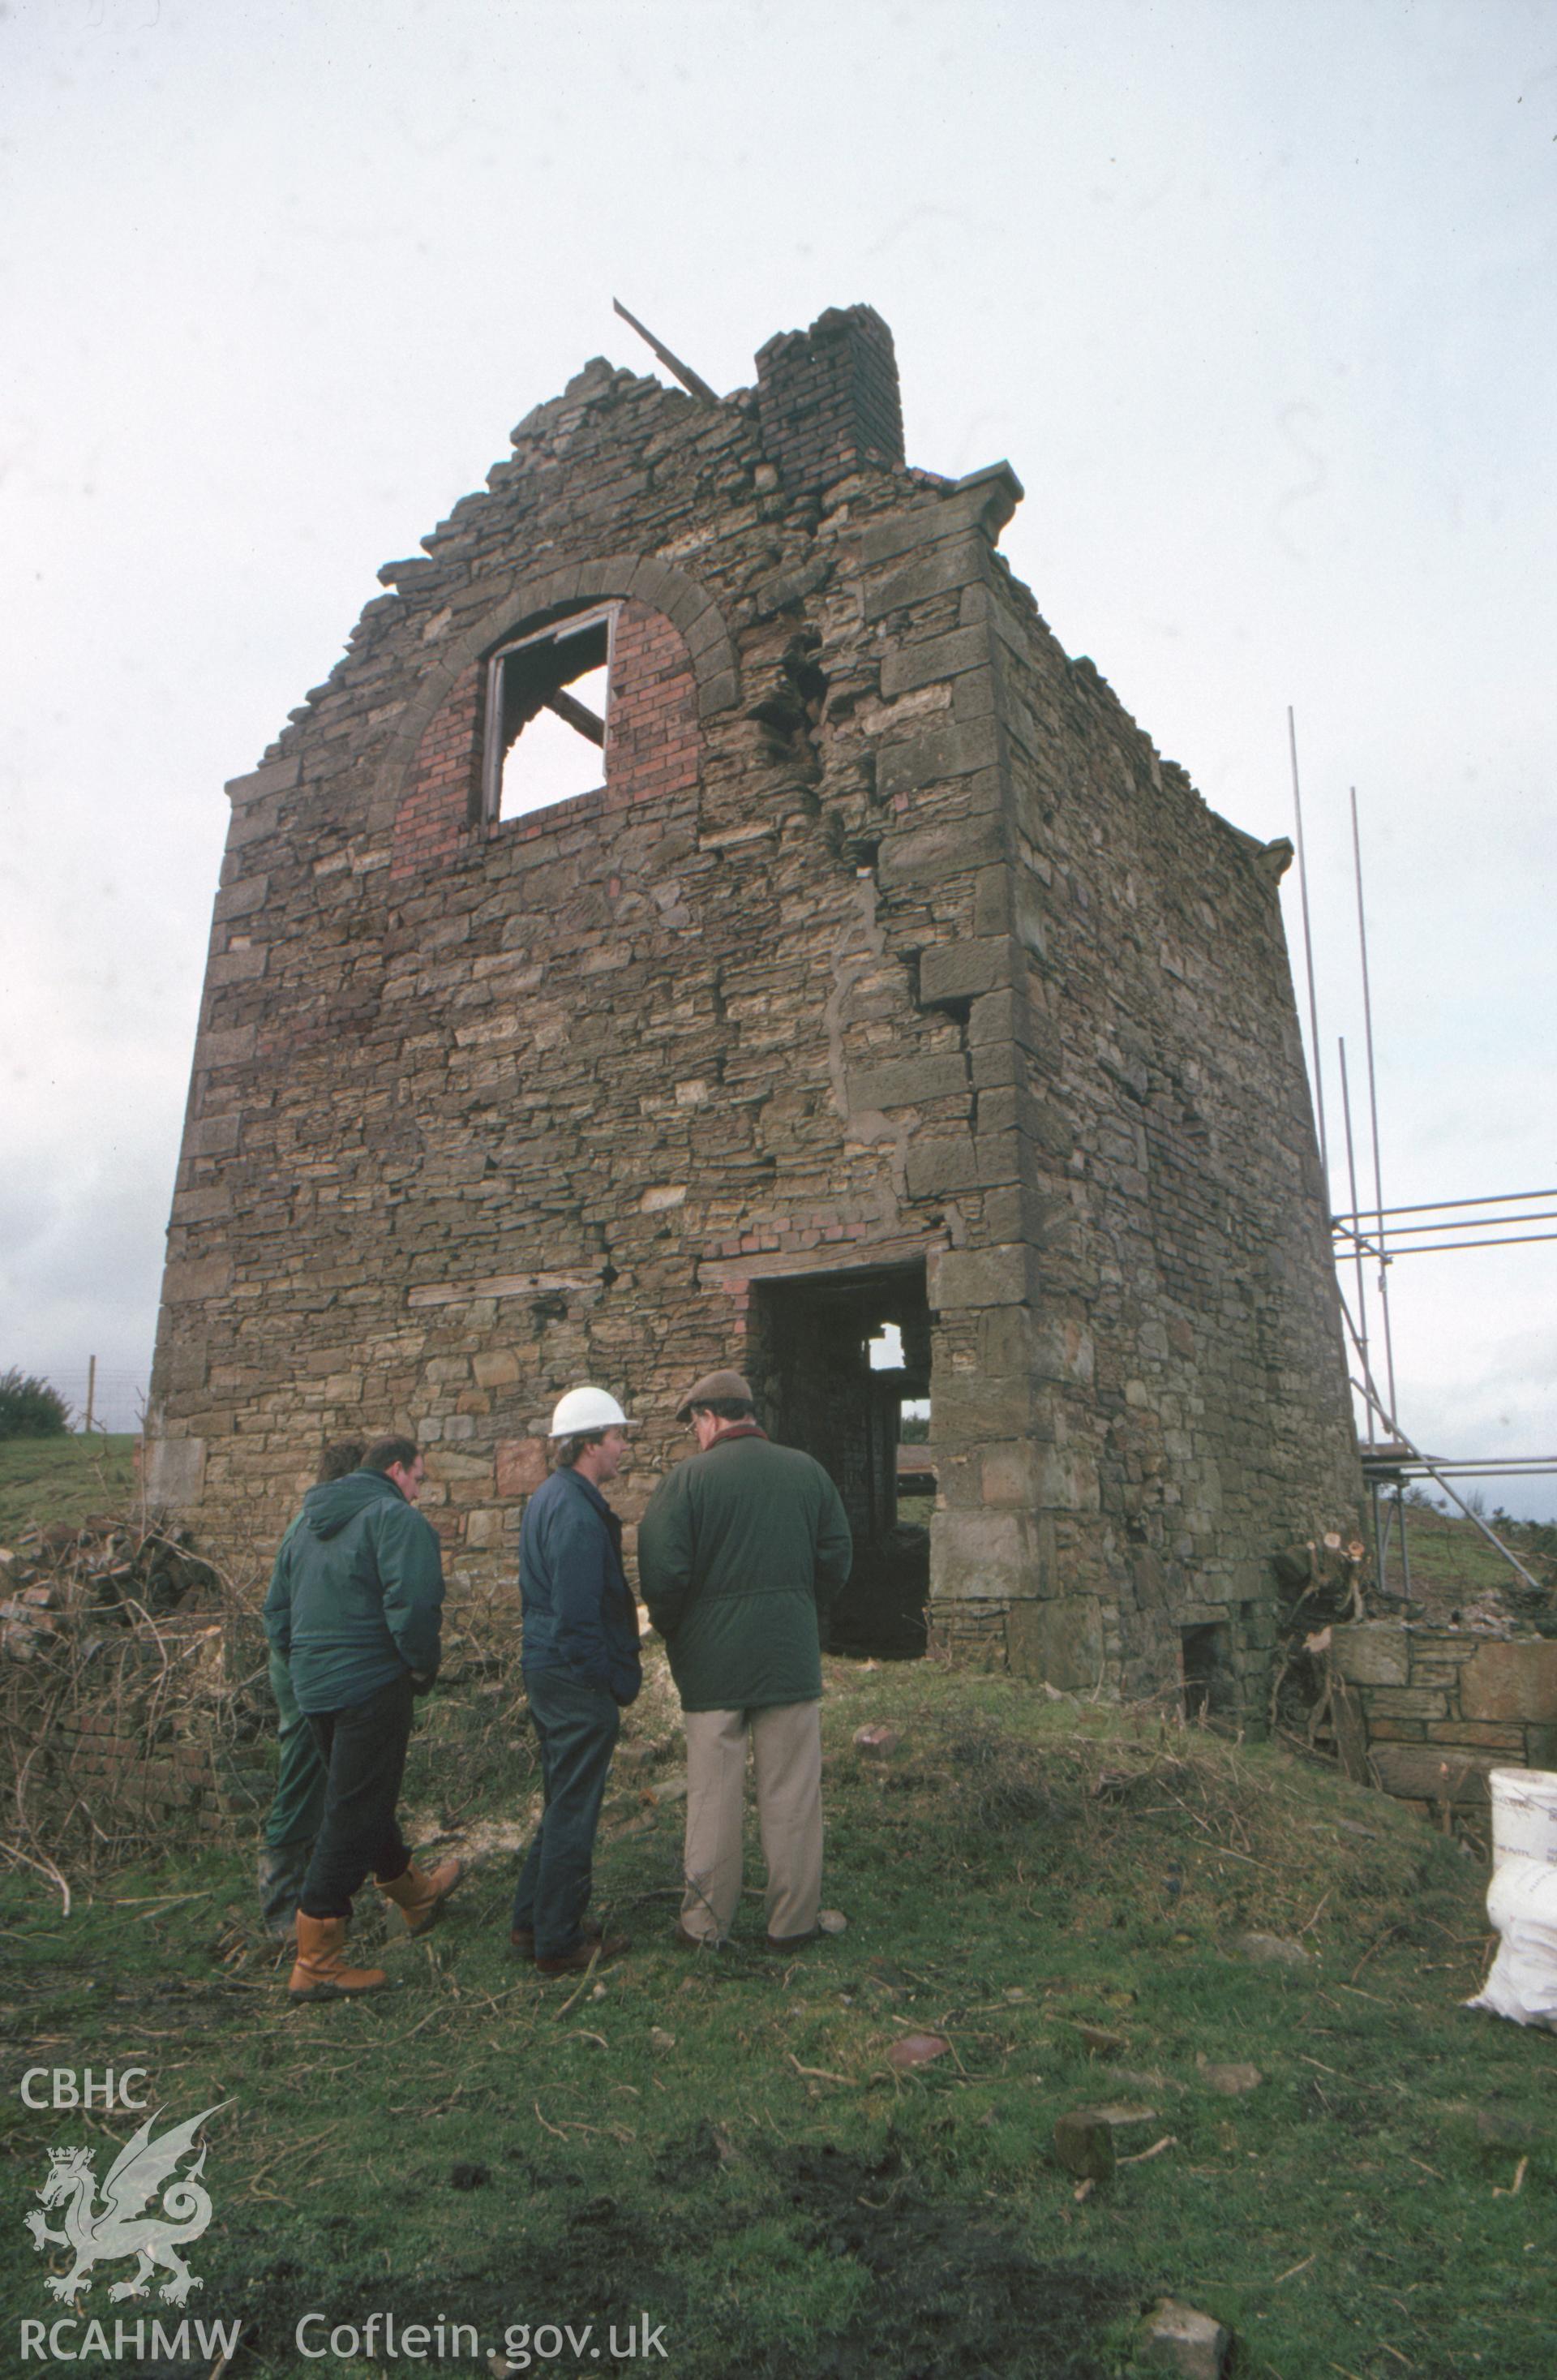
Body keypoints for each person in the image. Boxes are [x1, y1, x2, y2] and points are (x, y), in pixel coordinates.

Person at [637, 1368, 851, 1952]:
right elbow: (836, 1558)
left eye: (694, 1426)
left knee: (713, 1796)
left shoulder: (684, 1484)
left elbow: (662, 1576)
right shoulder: (806, 1473)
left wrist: (681, 1629)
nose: (695, 1437)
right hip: (789, 1658)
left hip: (712, 1671)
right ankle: (793, 1924)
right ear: (749, 1414)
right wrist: (800, 1609)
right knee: (792, 1794)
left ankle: (705, 1926)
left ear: (708, 1419)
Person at [263, 1435, 461, 2002]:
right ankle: (317, 1958)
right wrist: (418, 1668)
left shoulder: (305, 1523)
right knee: (352, 1810)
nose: (419, 1491)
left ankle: (415, 1895)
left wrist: (306, 1663)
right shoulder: (395, 1521)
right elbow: (416, 1606)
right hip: (371, 1685)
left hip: (315, 1689)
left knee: (360, 1796)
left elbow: (276, 1612)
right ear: (397, 1471)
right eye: (419, 1478)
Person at [512, 1387, 641, 1976]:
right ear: (589, 1445)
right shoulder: (575, 1511)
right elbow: (577, 1614)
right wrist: (607, 1682)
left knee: (562, 1797)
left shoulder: (552, 1497)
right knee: (574, 1809)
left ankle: (532, 1920)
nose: (623, 1447)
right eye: (616, 1437)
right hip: (570, 1677)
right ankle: (558, 1941)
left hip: (548, 1669)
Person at [257, 1437, 363, 1942]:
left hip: (323, 1669)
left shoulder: (340, 1523)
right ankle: (280, 1909)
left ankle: (324, 1896)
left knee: (336, 1778)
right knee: (302, 1777)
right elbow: (276, 1610)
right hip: (302, 1673)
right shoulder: (307, 1528)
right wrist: (303, 1663)